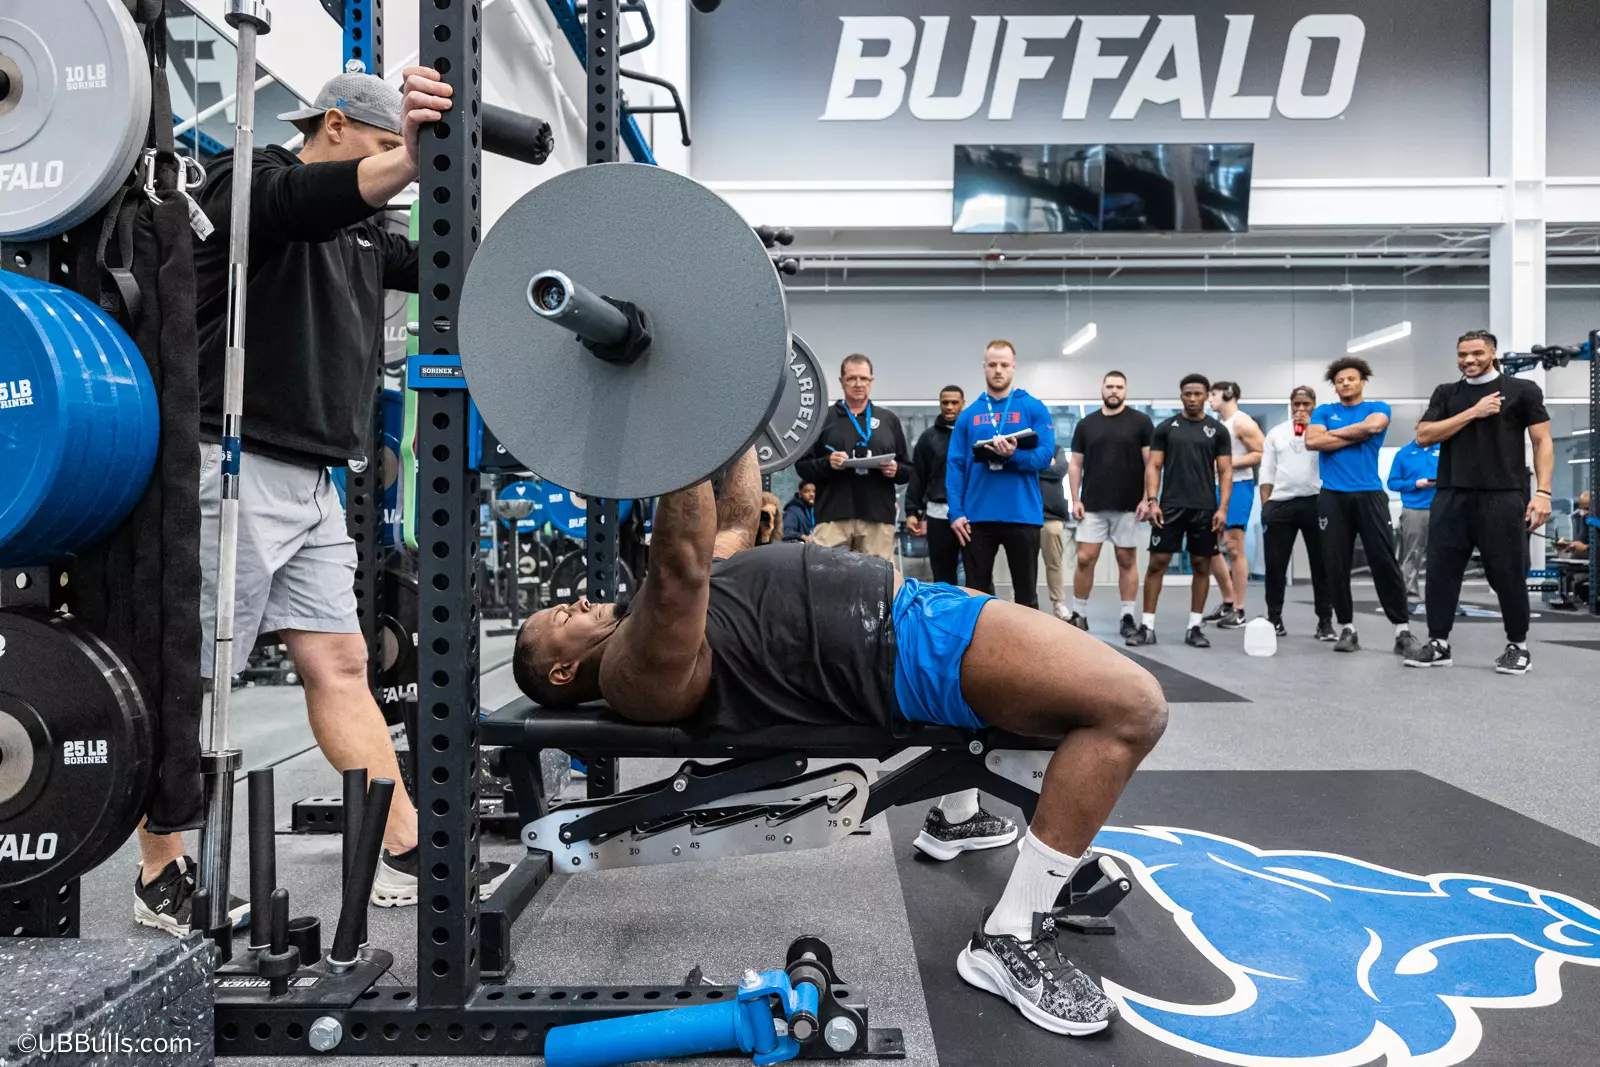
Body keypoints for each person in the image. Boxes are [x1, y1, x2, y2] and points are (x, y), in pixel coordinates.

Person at [512, 448, 1168, 1038]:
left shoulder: (648, 619)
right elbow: (680, 563)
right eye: (562, 617)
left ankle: (959, 815)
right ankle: (1009, 934)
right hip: (903, 650)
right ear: (563, 671)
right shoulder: (632, 671)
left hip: (910, 609)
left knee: (1066, 705)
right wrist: (684, 424)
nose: (578, 604)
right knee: (1132, 707)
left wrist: (743, 426)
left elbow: (733, 522)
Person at [133, 70, 509, 935]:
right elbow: (299, 201)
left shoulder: (367, 236)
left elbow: (461, 264)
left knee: (341, 663)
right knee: (194, 679)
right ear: (333, 125)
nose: (393, 171)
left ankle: (404, 850)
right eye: (382, 148)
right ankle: (161, 868)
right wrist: (405, 161)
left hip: (313, 479)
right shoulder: (248, 180)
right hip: (228, 462)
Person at [1404, 330, 1553, 674]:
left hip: (1503, 495)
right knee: (1440, 573)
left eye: (1477, 353)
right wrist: (1473, 412)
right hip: (1451, 494)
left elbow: (1542, 441)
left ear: (1493, 353)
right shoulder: (1446, 393)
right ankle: (1438, 644)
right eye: (1462, 354)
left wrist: (1543, 492)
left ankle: (1518, 646)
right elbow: (1424, 435)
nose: (1469, 360)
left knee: (1508, 573)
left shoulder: (1523, 391)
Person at [1304, 357, 1418, 656]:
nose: (1345, 383)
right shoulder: (1324, 410)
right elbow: (1312, 441)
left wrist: (1332, 435)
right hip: (1332, 496)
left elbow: (1374, 425)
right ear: (1334, 385)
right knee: (1335, 563)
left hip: (1369, 494)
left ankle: (1402, 630)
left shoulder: (1377, 407)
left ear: (1362, 381)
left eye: (1351, 379)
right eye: (1340, 380)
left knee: (1384, 561)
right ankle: (1347, 628)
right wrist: (1359, 434)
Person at [946, 342, 1057, 608]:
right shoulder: (968, 415)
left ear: (1013, 367)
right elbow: (955, 465)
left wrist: (1013, 456)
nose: (998, 370)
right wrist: (956, 512)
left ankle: (1026, 639)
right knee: (976, 597)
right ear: (984, 367)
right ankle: (980, 638)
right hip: (976, 517)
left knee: (1026, 598)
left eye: (1004, 365)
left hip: (1023, 515)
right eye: (993, 365)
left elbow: (1045, 456)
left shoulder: (1033, 407)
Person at [1127, 375, 1232, 649]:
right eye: (1187, 394)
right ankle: (1147, 627)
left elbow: (1225, 471)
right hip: (1170, 507)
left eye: (1198, 393)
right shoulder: (1165, 428)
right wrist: (1153, 501)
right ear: (1181, 395)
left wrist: (1222, 508)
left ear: (1207, 395)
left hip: (1204, 509)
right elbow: (1154, 466)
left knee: (1201, 565)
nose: (1192, 398)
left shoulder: (1218, 431)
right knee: (1157, 563)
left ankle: (1194, 627)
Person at [794, 354, 911, 560]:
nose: (858, 384)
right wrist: (827, 463)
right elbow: (802, 467)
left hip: (878, 518)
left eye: (863, 378)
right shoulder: (824, 418)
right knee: (826, 574)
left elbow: (907, 470)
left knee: (878, 577)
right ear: (841, 381)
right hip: (833, 517)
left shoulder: (888, 420)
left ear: (871, 380)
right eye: (851, 378)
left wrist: (895, 469)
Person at [1067, 371, 1153, 638]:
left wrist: (1147, 498)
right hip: (1092, 505)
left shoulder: (1141, 422)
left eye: (1119, 387)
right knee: (1085, 559)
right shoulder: (1086, 424)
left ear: (1125, 390)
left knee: (1126, 560)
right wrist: (1075, 499)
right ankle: (1079, 614)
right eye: (1110, 386)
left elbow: (1151, 464)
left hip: (1129, 506)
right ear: (1102, 389)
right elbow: (1075, 464)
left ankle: (1127, 616)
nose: (1114, 391)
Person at [1258, 386, 1334, 639]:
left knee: (1322, 565)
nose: (1300, 409)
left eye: (1306, 404)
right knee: (1275, 565)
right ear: (1291, 406)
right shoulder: (1277, 433)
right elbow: (1267, 471)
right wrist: (1266, 506)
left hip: (1317, 501)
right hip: (1282, 502)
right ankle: (1274, 618)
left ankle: (1325, 622)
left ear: (1314, 406)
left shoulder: (1324, 432)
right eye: (1296, 404)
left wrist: (1313, 429)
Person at [1202, 382, 1263, 629]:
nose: (1209, 400)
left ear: (1228, 394)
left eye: (1213, 395)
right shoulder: (1218, 425)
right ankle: (1228, 601)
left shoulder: (1242, 422)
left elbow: (1261, 452)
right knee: (1209, 546)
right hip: (1215, 487)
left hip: (1238, 485)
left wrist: (1226, 463)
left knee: (1234, 547)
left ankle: (1239, 609)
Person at [905, 386, 966, 584]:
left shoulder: (972, 435)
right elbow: (918, 476)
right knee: (942, 576)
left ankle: (978, 606)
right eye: (945, 402)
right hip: (938, 514)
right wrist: (911, 511)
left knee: (977, 574)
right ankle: (944, 606)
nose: (949, 407)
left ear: (963, 404)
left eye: (954, 402)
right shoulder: (928, 438)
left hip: (970, 513)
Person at [1386, 437, 1441, 610]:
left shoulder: (1443, 450)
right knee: (1412, 553)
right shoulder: (1403, 454)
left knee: (1443, 555)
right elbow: (1392, 483)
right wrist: (1415, 484)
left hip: (1441, 508)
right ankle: (1410, 595)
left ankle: (1443, 597)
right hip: (1414, 509)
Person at [1039, 446, 1076, 619]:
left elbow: (1060, 470)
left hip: (1051, 516)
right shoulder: (1022, 448)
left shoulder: (1056, 449)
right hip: (1026, 516)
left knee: (1054, 562)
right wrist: (1044, 464)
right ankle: (1018, 601)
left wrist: (1032, 466)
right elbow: (1019, 469)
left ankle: (1059, 603)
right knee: (1023, 564)